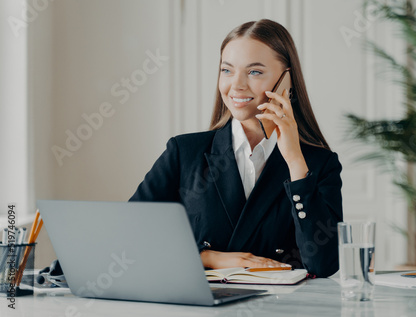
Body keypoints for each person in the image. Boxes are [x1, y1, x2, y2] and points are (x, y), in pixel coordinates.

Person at [130, 19, 342, 278]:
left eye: (254, 72)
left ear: (286, 80)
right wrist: (208, 257)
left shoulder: (318, 164)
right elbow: (131, 234)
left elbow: (323, 263)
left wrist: (295, 161)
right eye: (227, 70)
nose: (237, 85)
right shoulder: (184, 152)